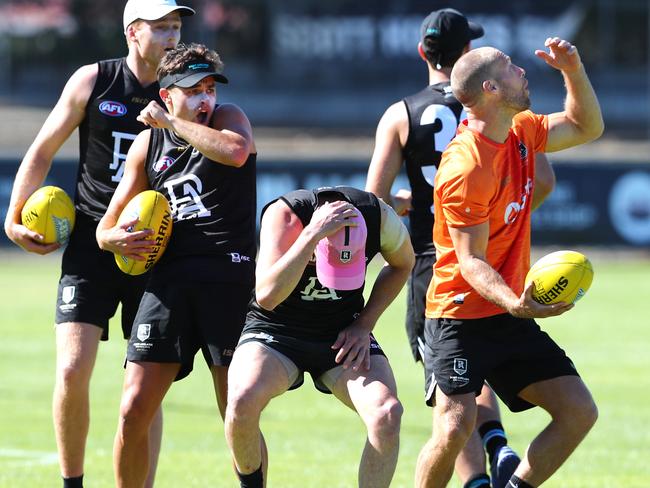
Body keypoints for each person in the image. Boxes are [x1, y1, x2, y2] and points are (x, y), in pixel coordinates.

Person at [3, 1, 194, 486]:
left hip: (154, 250)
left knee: (145, 391)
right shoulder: (94, 80)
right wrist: (13, 216)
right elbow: (43, 148)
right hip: (91, 246)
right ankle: (73, 482)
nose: (173, 36)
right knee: (70, 370)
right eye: (162, 28)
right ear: (133, 32)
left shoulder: (187, 92)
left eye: (176, 27)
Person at [365, 9, 555, 487]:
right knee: (469, 380)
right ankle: (496, 445)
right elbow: (544, 179)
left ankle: (478, 473)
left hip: (434, 261)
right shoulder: (499, 112)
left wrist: (399, 205)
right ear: (469, 55)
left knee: (450, 401)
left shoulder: (401, 113)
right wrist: (507, 212)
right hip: (483, 255)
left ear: (421, 53)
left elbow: (373, 199)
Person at [414, 37, 603, 488]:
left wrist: (573, 70)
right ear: (491, 90)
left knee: (578, 410)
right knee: (455, 426)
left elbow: (585, 126)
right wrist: (515, 302)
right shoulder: (466, 166)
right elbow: (471, 260)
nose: (522, 71)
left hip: (505, 312)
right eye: (511, 68)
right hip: (458, 314)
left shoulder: (519, 130)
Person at [95, 42, 256, 487]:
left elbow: (235, 152)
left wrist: (175, 123)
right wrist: (115, 239)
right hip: (167, 285)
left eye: (209, 88)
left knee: (237, 413)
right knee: (132, 411)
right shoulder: (147, 143)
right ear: (166, 94)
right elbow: (105, 228)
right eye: (193, 90)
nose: (206, 99)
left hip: (228, 278)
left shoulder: (229, 119)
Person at [224, 186, 415, 488]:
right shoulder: (285, 216)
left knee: (387, 414)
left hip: (342, 332)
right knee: (240, 400)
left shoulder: (377, 216)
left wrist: (364, 324)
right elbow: (266, 296)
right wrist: (311, 236)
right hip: (276, 329)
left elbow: (404, 263)